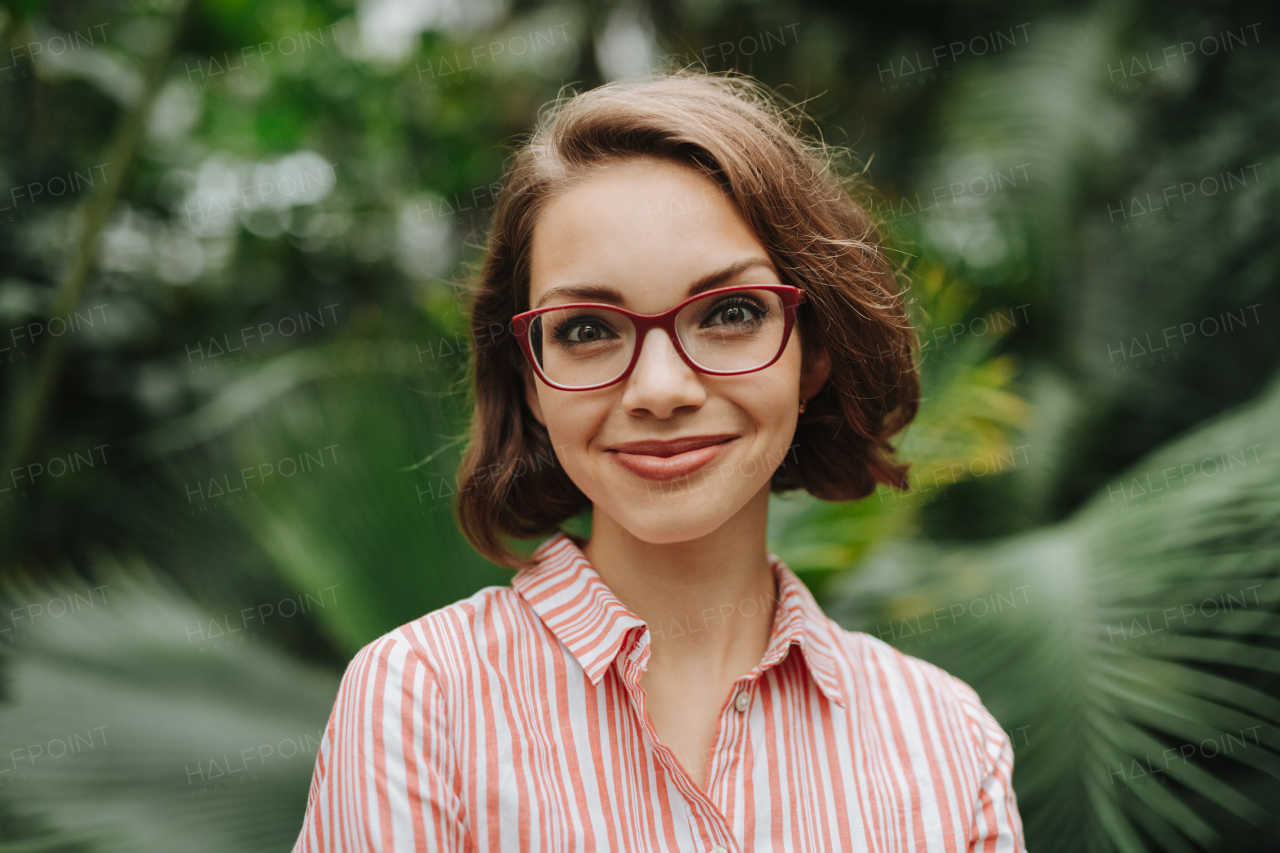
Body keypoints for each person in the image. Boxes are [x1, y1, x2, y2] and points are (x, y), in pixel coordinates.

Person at [292, 70, 1026, 852]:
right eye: (587, 329)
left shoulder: (947, 742)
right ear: (530, 379)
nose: (661, 388)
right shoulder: (420, 700)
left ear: (812, 355)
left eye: (730, 313)